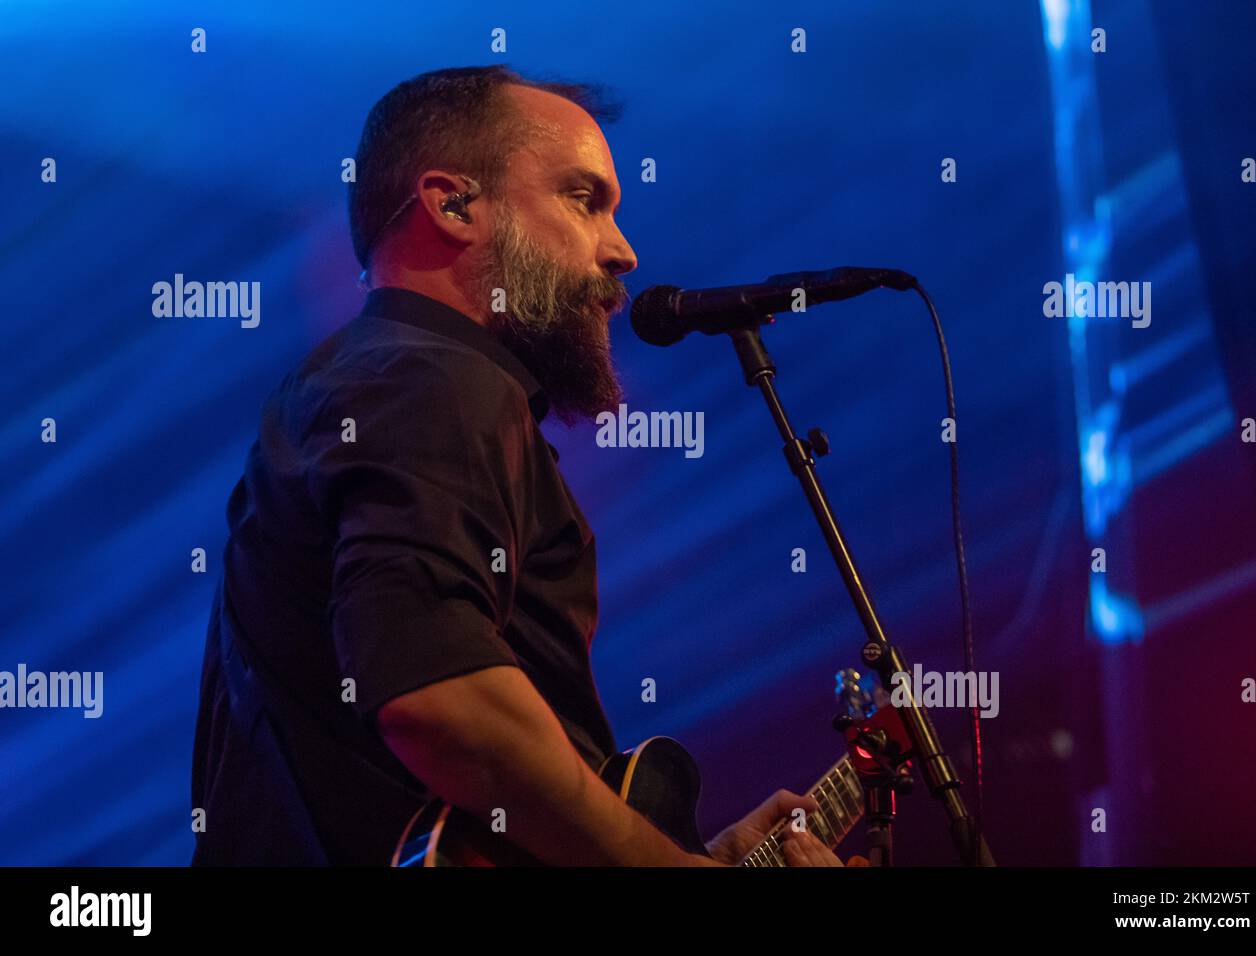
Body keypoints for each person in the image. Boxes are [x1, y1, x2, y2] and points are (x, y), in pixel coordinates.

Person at [191, 64, 864, 867]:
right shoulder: (430, 379)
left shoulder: (376, 382)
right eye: (584, 200)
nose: (623, 251)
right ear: (454, 205)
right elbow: (440, 698)